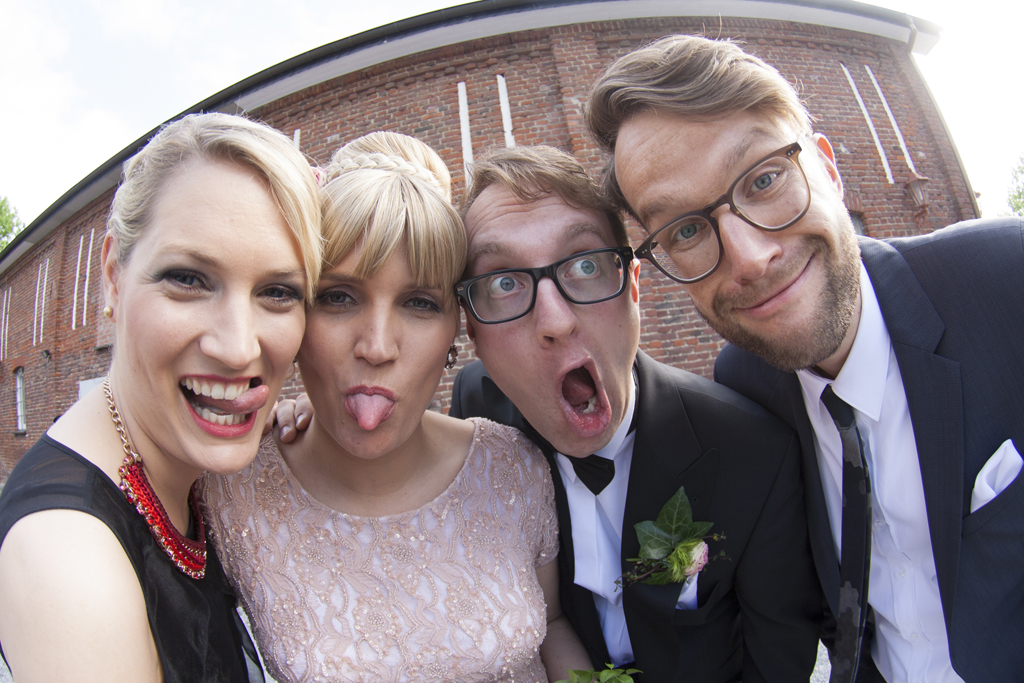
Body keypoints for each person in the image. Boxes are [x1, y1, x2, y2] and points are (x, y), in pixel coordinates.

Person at [586, 34, 1024, 683]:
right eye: (686, 229)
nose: (749, 257)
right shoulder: (746, 385)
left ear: (828, 169)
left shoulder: (1008, 282)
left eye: (763, 180)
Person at [201, 131, 591, 683]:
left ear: (456, 329)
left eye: (419, 303)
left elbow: (551, 624)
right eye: (339, 297)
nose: (378, 347)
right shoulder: (230, 492)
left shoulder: (511, 467)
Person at [447, 145, 821, 681]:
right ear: (473, 330)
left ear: (634, 286)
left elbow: (777, 666)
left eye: (585, 265)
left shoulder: (756, 453)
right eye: (504, 283)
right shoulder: (478, 410)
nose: (555, 321)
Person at [0, 112, 322, 682]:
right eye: (188, 279)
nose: (237, 347)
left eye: (278, 292)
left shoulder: (184, 467)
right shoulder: (69, 560)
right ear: (113, 276)